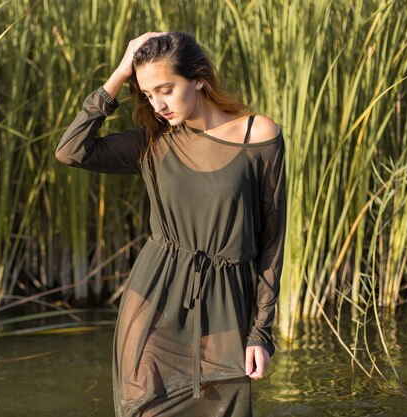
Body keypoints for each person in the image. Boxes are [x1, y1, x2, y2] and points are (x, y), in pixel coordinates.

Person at [56, 31, 286, 417]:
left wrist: (260, 333)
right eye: (147, 94)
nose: (158, 104)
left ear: (198, 77)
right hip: (154, 303)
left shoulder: (258, 135)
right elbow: (71, 151)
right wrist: (119, 73)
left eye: (166, 88)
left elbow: (272, 241)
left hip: (226, 306)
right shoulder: (154, 141)